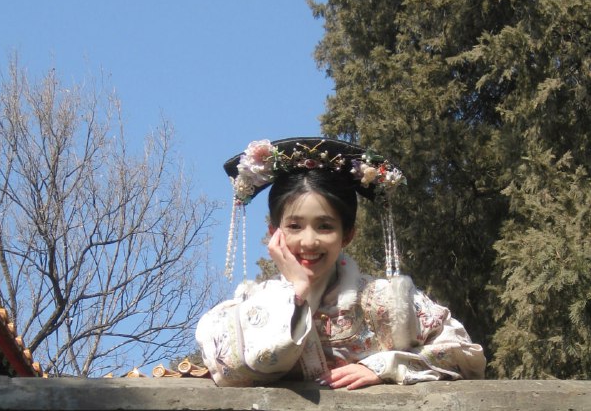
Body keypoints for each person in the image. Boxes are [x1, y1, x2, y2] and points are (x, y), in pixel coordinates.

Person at [196, 137, 486, 388]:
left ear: (347, 235)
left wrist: (385, 366)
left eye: (325, 227)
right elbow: (231, 370)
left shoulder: (388, 301)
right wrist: (297, 292)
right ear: (274, 233)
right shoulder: (252, 304)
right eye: (294, 226)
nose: (309, 241)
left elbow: (464, 354)